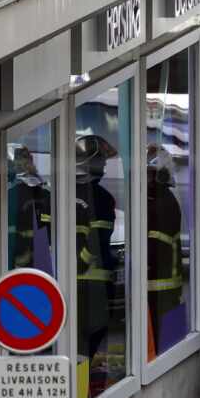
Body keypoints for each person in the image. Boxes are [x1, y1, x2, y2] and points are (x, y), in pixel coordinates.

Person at [75, 135, 117, 361]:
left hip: (66, 283)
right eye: (100, 159)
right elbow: (99, 239)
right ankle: (81, 391)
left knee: (74, 344)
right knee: (89, 343)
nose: (105, 164)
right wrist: (81, 262)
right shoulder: (102, 199)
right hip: (94, 286)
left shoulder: (60, 193)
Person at [146, 146, 184, 353]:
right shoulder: (165, 199)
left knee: (161, 345)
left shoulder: (158, 203)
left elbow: (152, 246)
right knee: (168, 343)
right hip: (166, 284)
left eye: (149, 174)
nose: (145, 179)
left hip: (158, 286)